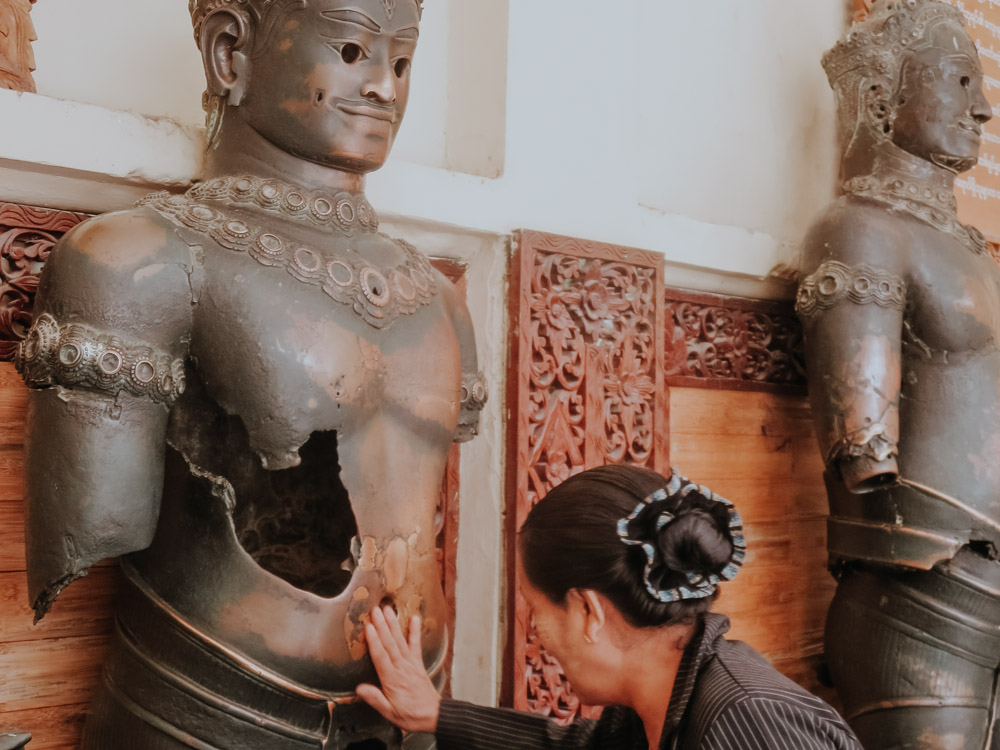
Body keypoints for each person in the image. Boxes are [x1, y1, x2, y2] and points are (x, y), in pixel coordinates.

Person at [15, 0, 484, 747]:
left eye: (402, 62)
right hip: (208, 709)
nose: (387, 90)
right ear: (229, 51)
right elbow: (90, 522)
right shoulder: (142, 260)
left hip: (413, 708)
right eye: (355, 51)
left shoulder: (437, 296)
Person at [798, 1, 1000, 746]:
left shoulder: (971, 250)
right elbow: (863, 447)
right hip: (917, 599)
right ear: (884, 98)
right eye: (958, 81)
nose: (982, 108)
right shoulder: (861, 230)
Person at [357, 465, 862, 749]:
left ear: (589, 613)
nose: (536, 636)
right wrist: (435, 714)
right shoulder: (657, 705)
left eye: (536, 611)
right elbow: (573, 749)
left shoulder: (750, 723)